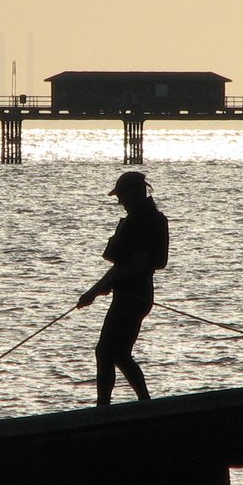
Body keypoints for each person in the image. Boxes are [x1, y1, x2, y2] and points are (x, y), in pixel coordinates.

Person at [76, 170, 169, 406]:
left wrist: (100, 289)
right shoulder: (143, 218)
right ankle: (142, 403)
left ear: (135, 193)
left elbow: (136, 265)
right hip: (136, 295)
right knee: (117, 353)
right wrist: (95, 291)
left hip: (132, 297)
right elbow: (121, 267)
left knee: (107, 352)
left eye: (122, 195)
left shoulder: (141, 221)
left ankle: (105, 408)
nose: (120, 201)